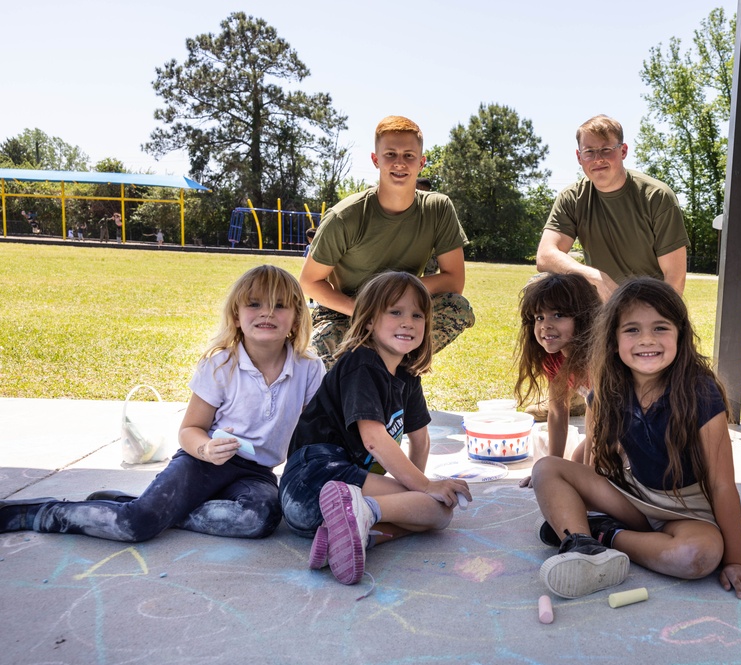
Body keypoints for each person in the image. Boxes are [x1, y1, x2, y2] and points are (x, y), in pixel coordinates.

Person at [0, 265, 325, 542]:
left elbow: (314, 437)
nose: (267, 312)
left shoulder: (309, 369)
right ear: (237, 316)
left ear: (296, 319)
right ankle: (42, 512)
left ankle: (158, 509)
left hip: (256, 473)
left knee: (260, 519)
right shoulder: (221, 364)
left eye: (280, 305)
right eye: (255, 304)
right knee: (136, 525)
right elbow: (190, 430)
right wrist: (206, 449)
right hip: (203, 463)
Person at [531, 277, 741, 601]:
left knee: (700, 556)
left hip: (689, 508)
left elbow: (723, 485)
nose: (646, 340)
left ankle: (602, 535)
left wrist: (735, 561)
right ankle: (581, 544)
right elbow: (598, 464)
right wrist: (584, 492)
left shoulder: (699, 390)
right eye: (632, 330)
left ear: (681, 334)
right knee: (546, 470)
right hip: (634, 496)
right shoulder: (608, 388)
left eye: (660, 328)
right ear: (612, 339)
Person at [279, 271, 471, 586]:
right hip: (313, 478)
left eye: (417, 314)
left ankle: (350, 537)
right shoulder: (362, 363)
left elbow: (420, 441)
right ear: (369, 320)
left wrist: (416, 492)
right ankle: (363, 514)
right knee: (430, 501)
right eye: (395, 312)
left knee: (438, 511)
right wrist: (422, 486)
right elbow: (374, 440)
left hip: (331, 507)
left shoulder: (407, 377)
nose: (408, 321)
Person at [300, 116, 474, 370]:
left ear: (422, 162)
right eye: (390, 154)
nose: (400, 163)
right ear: (375, 159)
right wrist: (366, 310)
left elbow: (453, 281)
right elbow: (310, 281)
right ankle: (357, 374)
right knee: (313, 367)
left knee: (457, 308)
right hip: (347, 312)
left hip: (403, 310)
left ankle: (398, 372)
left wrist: (390, 302)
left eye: (409, 155)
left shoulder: (438, 209)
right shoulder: (345, 216)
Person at [536, 115, 689, 301]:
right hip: (601, 307)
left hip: (649, 306)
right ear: (579, 157)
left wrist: (659, 320)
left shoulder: (656, 196)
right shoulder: (572, 198)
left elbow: (675, 277)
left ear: (623, 151)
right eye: (589, 151)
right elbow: (545, 255)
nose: (598, 159)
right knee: (538, 284)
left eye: (606, 150)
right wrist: (596, 278)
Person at [514, 273, 600, 468]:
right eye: (539, 317)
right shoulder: (555, 356)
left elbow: (598, 420)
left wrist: (591, 473)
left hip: (636, 428)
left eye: (558, 315)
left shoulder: (598, 358)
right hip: (610, 426)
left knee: (586, 466)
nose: (546, 325)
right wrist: (553, 465)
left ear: (583, 317)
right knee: (575, 463)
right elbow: (557, 411)